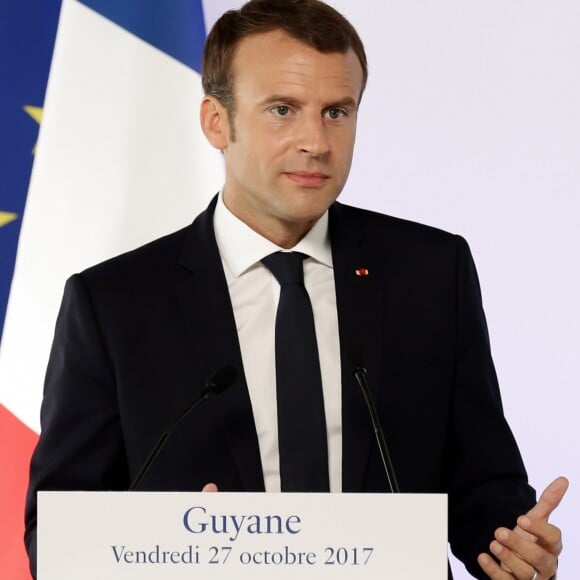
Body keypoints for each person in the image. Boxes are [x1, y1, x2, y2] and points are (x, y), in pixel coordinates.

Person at [25, 1, 567, 578]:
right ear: (216, 121)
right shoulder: (115, 304)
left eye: (337, 111)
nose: (316, 141)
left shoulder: (431, 272)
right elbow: (58, 535)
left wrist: (509, 543)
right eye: (283, 109)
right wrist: (159, 543)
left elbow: (482, 481)